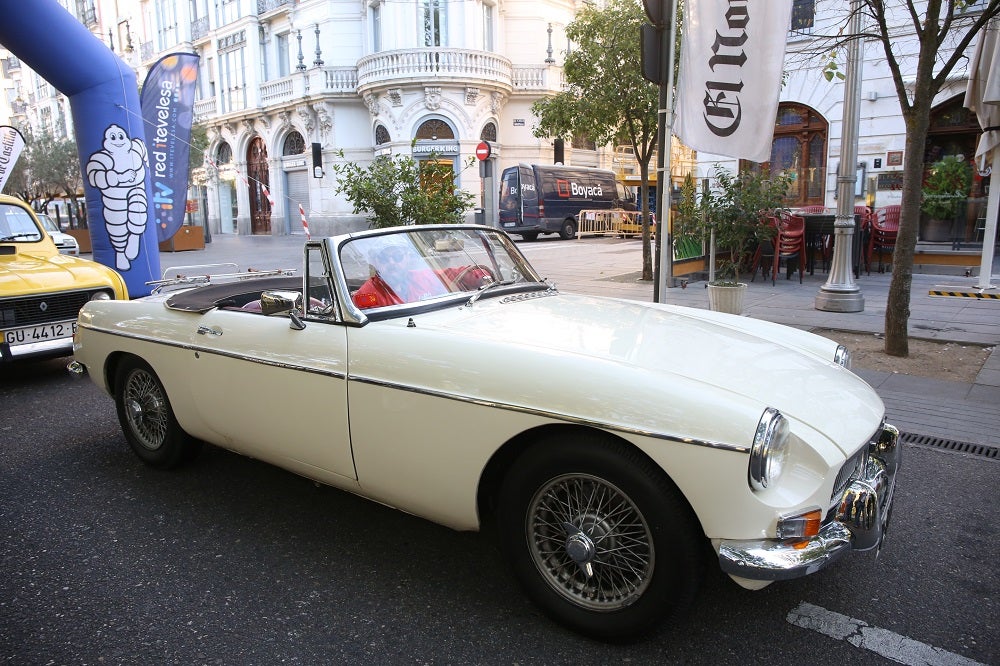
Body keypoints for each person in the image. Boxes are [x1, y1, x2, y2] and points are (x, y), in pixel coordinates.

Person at [352, 240, 447, 309]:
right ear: (376, 263)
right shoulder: (367, 295)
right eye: (384, 258)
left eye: (397, 256)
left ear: (408, 258)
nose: (391, 262)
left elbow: (454, 274)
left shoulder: (425, 277)